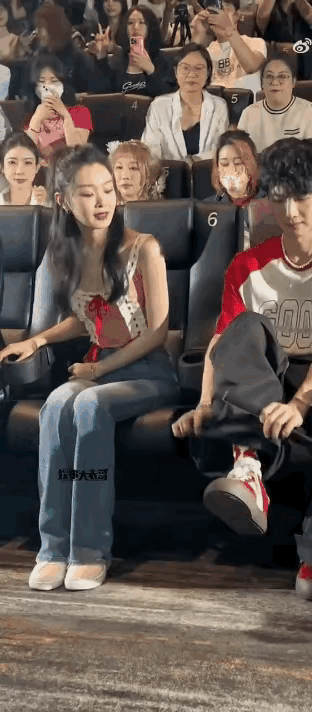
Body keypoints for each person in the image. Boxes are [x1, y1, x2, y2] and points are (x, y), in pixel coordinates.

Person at [172, 137, 312, 602]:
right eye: (280, 198)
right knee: (246, 326)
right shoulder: (246, 264)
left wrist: (300, 403)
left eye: (302, 196)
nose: (291, 211)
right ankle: (248, 466)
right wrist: (204, 404)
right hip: (261, 372)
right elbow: (223, 343)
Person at [0, 143, 180, 592]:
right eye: (87, 193)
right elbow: (87, 319)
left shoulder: (145, 248)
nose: (102, 201)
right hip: (100, 370)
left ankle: (89, 549)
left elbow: (157, 332)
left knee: (87, 406)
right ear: (64, 201)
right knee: (54, 405)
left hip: (149, 372)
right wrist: (37, 340)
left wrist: (99, 372)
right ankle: (52, 547)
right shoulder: (68, 255)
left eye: (107, 189)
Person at [141, 43, 229, 162]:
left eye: (198, 68)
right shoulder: (158, 106)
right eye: (185, 68)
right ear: (176, 71)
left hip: (207, 172)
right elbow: (150, 152)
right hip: (167, 172)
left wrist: (194, 161)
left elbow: (221, 150)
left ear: (208, 72)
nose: (191, 74)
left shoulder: (219, 106)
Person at [238, 53, 312, 153]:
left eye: (282, 76)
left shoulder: (309, 111)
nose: (275, 82)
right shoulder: (248, 113)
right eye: (269, 76)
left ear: (293, 82)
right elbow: (240, 153)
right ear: (262, 83)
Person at [90, 5, 176, 96]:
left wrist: (151, 70)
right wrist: (101, 56)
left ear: (151, 26)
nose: (135, 27)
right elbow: (100, 94)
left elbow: (169, 97)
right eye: (130, 23)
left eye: (141, 22)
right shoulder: (117, 60)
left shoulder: (164, 61)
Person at [24, 54, 92, 164]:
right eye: (41, 81)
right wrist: (36, 120)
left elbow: (78, 151)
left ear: (63, 84)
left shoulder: (80, 112)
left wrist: (65, 115)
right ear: (35, 88)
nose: (48, 86)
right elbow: (25, 155)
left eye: (54, 81)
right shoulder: (30, 118)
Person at [206, 129, 262, 249]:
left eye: (238, 163)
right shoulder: (206, 208)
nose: (232, 170)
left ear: (251, 166)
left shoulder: (270, 205)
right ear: (217, 168)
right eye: (224, 164)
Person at [195, 0, 267, 94]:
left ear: (236, 16)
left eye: (224, 11)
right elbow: (187, 75)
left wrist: (229, 28)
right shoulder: (206, 52)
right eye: (214, 11)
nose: (219, 16)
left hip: (245, 102)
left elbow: (251, 66)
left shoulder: (255, 43)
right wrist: (198, 33)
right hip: (215, 102)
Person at [31, 3, 105, 94]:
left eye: (40, 28)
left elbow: (94, 90)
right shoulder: (39, 56)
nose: (37, 32)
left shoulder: (78, 58)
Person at [0, 131, 48, 204]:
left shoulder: (49, 204)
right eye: (12, 162)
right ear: (2, 167)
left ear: (37, 167)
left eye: (28, 162)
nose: (20, 171)